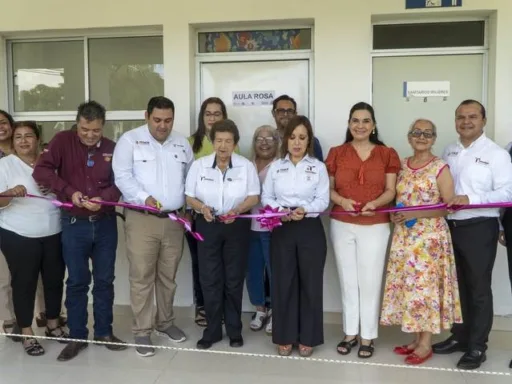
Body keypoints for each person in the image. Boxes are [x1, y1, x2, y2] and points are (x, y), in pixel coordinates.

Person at [33, 101, 127, 362]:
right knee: (76, 282)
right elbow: (41, 170)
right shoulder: (62, 140)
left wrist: (103, 197)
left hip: (106, 223)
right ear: (77, 123)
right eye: (85, 129)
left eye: (95, 130)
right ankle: (77, 337)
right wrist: (68, 191)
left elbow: (122, 181)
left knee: (105, 281)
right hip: (74, 226)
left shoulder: (112, 148)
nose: (89, 135)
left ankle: (104, 333)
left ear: (103, 126)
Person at [433, 99, 512, 370]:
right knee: (457, 287)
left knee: (478, 289)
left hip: (479, 226)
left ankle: (478, 346)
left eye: (472, 117)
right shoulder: (449, 150)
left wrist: (472, 198)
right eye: (460, 117)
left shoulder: (497, 154)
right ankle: (460, 337)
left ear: (483, 120)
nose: (466, 122)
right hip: (450, 226)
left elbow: (507, 193)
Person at [112, 96, 193, 357]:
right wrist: (143, 198)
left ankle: (165, 323)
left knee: (168, 277)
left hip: (173, 221)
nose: (162, 125)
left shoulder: (181, 143)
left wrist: (189, 210)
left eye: (168, 120)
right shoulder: (129, 141)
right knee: (142, 276)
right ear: (146, 115)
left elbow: (190, 179)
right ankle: (142, 331)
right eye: (157, 120)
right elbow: (122, 176)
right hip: (141, 219)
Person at [380, 119, 462, 365]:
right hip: (405, 238)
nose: (422, 136)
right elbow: (397, 197)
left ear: (434, 138)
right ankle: (416, 338)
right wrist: (395, 213)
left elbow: (448, 208)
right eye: (417, 132)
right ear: (409, 137)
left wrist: (415, 214)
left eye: (427, 133)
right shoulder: (402, 165)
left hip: (429, 241)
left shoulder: (440, 167)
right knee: (411, 289)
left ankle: (426, 344)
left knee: (425, 291)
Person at [325, 102, 400, 359]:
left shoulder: (387, 154)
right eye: (355, 120)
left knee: (369, 282)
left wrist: (375, 204)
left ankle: (367, 336)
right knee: (348, 281)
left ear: (373, 125)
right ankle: (349, 333)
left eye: (365, 121)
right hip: (341, 224)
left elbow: (391, 191)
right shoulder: (337, 153)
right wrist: (343, 202)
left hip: (376, 224)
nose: (360, 125)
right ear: (349, 124)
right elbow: (329, 189)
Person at [185, 119, 259, 350]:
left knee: (234, 278)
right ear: (212, 141)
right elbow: (189, 196)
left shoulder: (246, 166)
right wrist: (202, 208)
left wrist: (237, 210)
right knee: (210, 279)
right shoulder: (199, 166)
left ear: (235, 143)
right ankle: (213, 330)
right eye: (219, 140)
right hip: (208, 225)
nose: (223, 146)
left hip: (236, 226)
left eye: (228, 141)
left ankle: (235, 330)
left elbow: (254, 196)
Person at [261, 115, 329, 357]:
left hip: (309, 229)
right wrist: (281, 212)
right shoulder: (276, 167)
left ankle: (308, 337)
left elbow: (323, 200)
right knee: (284, 283)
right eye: (292, 137)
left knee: (310, 284)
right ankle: (285, 336)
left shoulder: (318, 167)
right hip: (282, 229)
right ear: (285, 140)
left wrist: (305, 210)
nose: (297, 143)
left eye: (302, 137)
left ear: (308, 140)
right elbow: (266, 197)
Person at [0, 121, 67, 356]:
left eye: (29, 136)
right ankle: (26, 332)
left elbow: (65, 190)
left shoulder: (50, 163)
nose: (23, 141)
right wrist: (9, 193)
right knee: (24, 283)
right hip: (19, 233)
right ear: (13, 141)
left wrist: (56, 189)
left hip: (53, 229)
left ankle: (52, 324)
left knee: (54, 280)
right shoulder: (5, 165)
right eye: (18, 137)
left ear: (38, 138)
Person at [187, 97, 228, 327]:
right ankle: (203, 305)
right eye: (208, 114)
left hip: (224, 218)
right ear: (202, 117)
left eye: (217, 114)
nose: (212, 118)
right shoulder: (190, 143)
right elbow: (184, 182)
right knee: (200, 263)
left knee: (221, 263)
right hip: (197, 215)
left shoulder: (232, 143)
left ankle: (219, 306)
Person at [247, 125, 279, 334]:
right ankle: (260, 309)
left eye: (270, 138)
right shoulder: (246, 165)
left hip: (273, 228)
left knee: (275, 270)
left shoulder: (280, 165)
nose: (264, 142)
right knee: (253, 270)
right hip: (248, 227)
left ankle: (276, 311)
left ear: (277, 143)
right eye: (260, 138)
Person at [0, 109, 19, 341]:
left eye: (4, 122)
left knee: (35, 273)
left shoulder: (25, 150)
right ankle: (8, 318)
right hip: (2, 219)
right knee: (4, 275)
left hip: (28, 219)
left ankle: (45, 313)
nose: (1, 127)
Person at [272, 95, 323, 160]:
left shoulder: (311, 141)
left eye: (290, 111)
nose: (285, 114)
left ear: (295, 114)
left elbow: (318, 167)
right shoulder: (268, 140)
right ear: (273, 113)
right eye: (281, 111)